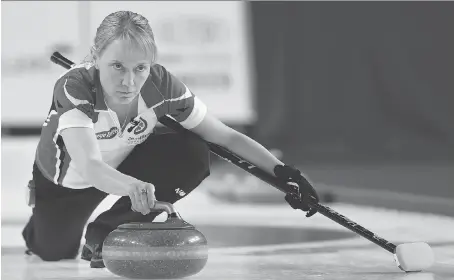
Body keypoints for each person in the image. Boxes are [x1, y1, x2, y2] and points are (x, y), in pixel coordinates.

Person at [22, 10, 319, 268]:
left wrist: (284, 173)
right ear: (96, 57)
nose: (129, 82)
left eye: (140, 68)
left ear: (151, 63)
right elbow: (89, 165)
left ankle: (106, 234)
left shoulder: (162, 86)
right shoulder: (75, 87)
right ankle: (37, 227)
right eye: (117, 67)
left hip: (124, 161)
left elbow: (225, 136)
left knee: (192, 150)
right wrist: (132, 187)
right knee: (52, 252)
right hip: (68, 180)